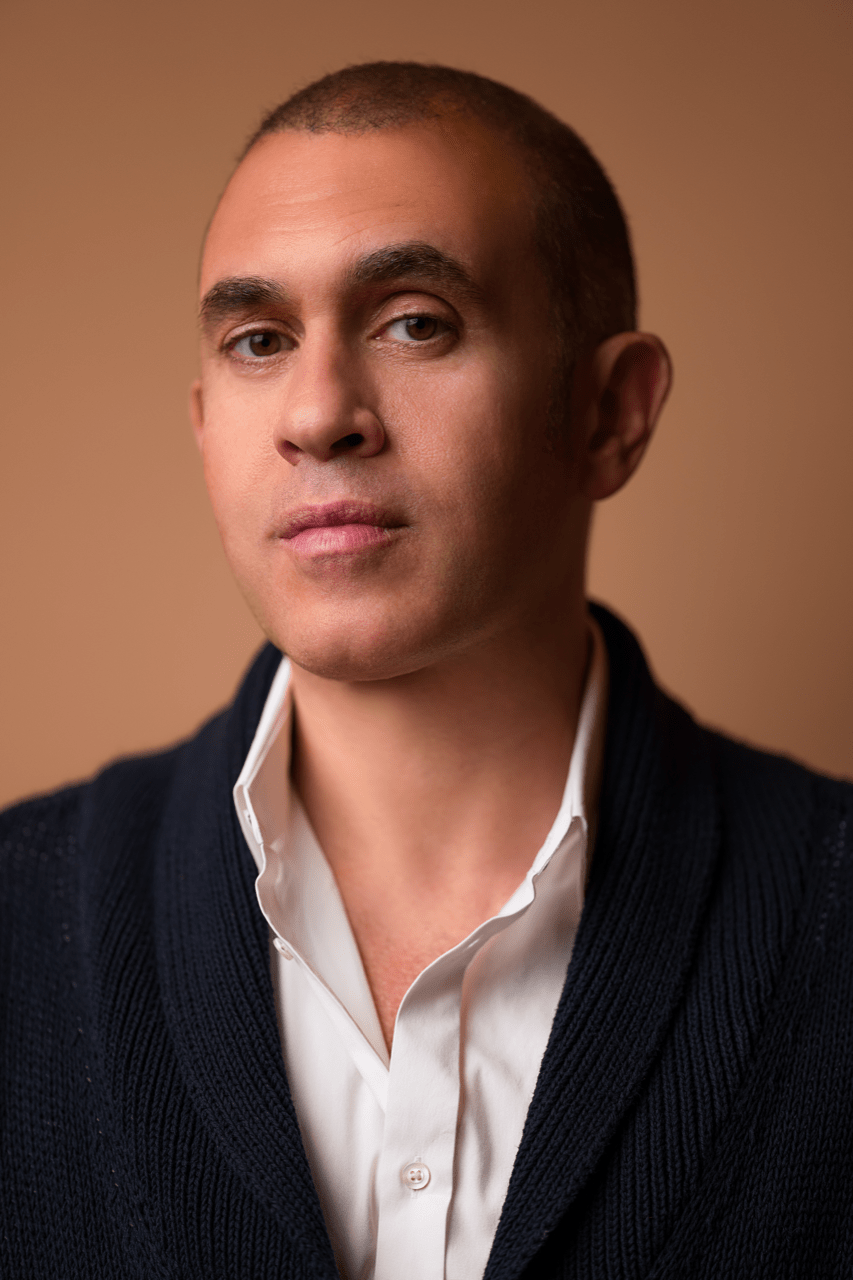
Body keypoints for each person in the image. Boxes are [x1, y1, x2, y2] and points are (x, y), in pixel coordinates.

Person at [1, 61, 851, 1280]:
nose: (316, 414)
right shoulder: (18, 921)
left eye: (415, 321)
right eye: (258, 340)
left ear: (610, 412)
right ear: (204, 429)